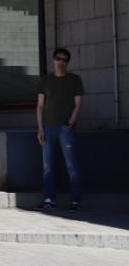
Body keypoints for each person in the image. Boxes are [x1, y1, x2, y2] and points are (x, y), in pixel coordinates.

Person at [37, 47, 83, 211]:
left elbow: (78, 104)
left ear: (68, 62)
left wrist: (70, 122)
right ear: (53, 60)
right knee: (48, 165)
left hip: (65, 128)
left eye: (64, 60)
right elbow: (40, 106)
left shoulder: (74, 80)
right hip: (48, 128)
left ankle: (75, 201)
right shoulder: (46, 80)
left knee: (71, 164)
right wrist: (40, 128)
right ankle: (49, 199)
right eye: (58, 58)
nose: (61, 62)